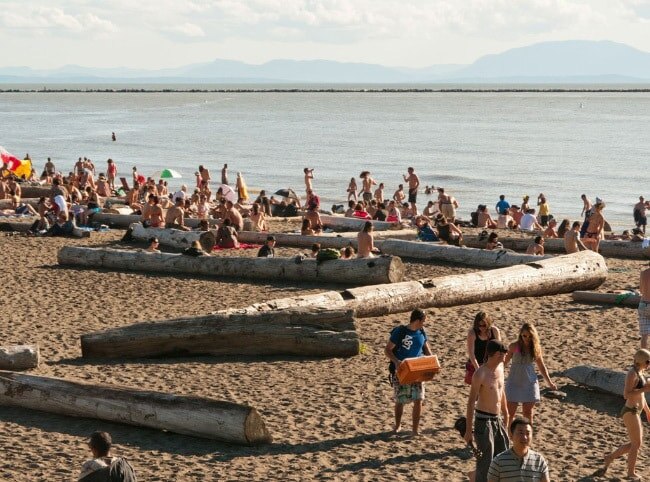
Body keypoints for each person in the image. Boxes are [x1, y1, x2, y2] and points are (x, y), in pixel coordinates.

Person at [597, 349, 650, 480]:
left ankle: (610, 457)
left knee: (635, 444)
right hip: (630, 411)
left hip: (636, 411)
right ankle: (630, 473)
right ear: (641, 361)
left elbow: (641, 395)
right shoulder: (632, 374)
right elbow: (626, 395)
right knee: (636, 444)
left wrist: (648, 411)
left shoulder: (640, 372)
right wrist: (645, 388)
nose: (649, 364)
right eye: (647, 362)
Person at [464, 340, 510, 482]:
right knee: (486, 461)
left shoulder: (501, 367)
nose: (505, 356)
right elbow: (471, 402)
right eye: (502, 353)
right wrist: (468, 430)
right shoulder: (480, 374)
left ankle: (473, 476)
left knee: (503, 456)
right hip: (483, 420)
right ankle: (477, 477)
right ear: (495, 354)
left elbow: (501, 391)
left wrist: (506, 412)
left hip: (498, 419)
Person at [384, 308, 433, 435]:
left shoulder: (422, 331)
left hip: (418, 369)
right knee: (400, 400)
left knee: (419, 399)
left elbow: (427, 350)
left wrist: (432, 363)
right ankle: (398, 425)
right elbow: (387, 350)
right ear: (417, 320)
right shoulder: (400, 331)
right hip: (402, 370)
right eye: (423, 321)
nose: (424, 323)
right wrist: (396, 361)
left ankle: (415, 430)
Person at [504, 323, 557, 427]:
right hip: (514, 381)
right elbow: (504, 363)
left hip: (529, 382)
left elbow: (541, 366)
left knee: (527, 413)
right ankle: (509, 436)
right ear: (520, 335)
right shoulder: (514, 346)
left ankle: (528, 435)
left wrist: (549, 382)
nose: (527, 338)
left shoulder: (536, 348)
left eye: (529, 336)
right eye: (524, 336)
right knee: (510, 414)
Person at [487, 417, 550, 482]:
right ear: (511, 436)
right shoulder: (498, 461)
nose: (524, 437)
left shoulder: (539, 460)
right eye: (521, 433)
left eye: (528, 433)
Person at [466, 312, 501, 385]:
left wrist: (497, 365)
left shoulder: (494, 331)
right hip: (477, 364)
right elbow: (471, 354)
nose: (481, 327)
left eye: (484, 325)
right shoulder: (472, 333)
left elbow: (500, 349)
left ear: (488, 323)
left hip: (491, 364)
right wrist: (478, 370)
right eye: (479, 325)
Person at [639, 264, 650, 349]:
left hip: (643, 304)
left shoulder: (643, 273)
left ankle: (643, 357)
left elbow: (641, 290)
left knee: (644, 335)